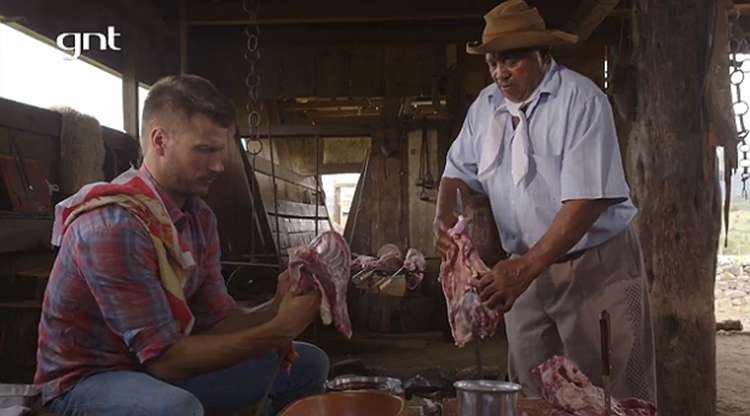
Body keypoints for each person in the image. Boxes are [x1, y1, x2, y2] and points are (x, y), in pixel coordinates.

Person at [35, 74, 328, 415]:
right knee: (175, 408)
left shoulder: (199, 218)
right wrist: (280, 330)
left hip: (153, 371)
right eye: (204, 151)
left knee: (307, 364)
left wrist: (276, 304)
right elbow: (166, 362)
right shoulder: (115, 224)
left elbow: (218, 320)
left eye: (221, 152)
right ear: (159, 141)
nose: (218, 166)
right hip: (89, 381)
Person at [433, 0, 657, 401]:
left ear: (544, 53)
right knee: (532, 391)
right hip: (522, 273)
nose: (500, 72)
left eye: (512, 60)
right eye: (492, 62)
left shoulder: (581, 102)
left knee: (606, 391)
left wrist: (523, 269)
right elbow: (456, 172)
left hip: (593, 267)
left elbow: (586, 202)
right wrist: (445, 215)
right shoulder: (485, 109)